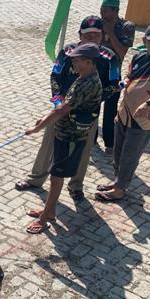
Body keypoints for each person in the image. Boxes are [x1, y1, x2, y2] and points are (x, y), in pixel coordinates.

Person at [14, 16, 120, 201]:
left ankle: (76, 185)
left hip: (87, 115)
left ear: (103, 35)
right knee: (48, 145)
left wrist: (90, 100)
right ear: (80, 34)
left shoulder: (109, 57)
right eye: (87, 34)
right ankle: (35, 179)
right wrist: (57, 101)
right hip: (60, 109)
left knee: (83, 150)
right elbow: (55, 75)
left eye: (96, 34)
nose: (92, 37)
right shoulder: (67, 51)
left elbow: (114, 84)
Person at [24, 43, 102, 234]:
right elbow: (65, 105)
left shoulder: (87, 84)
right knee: (54, 175)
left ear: (90, 62)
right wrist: (45, 118)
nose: (73, 63)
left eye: (77, 60)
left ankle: (45, 219)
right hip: (64, 134)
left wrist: (38, 128)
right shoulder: (84, 77)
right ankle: (49, 211)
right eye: (73, 59)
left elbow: (62, 109)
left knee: (56, 177)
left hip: (70, 138)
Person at [96, 24, 150, 202]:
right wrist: (124, 82)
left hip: (145, 118)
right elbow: (129, 74)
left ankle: (120, 189)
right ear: (144, 41)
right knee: (118, 151)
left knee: (130, 154)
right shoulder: (139, 57)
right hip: (125, 112)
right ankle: (117, 181)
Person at [99, 0, 135, 153]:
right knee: (92, 105)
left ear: (115, 11)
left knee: (110, 110)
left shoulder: (127, 26)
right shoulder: (98, 24)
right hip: (96, 71)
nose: (102, 14)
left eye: (105, 11)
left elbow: (121, 53)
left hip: (113, 73)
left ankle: (109, 143)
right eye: (101, 10)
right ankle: (90, 140)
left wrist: (110, 32)